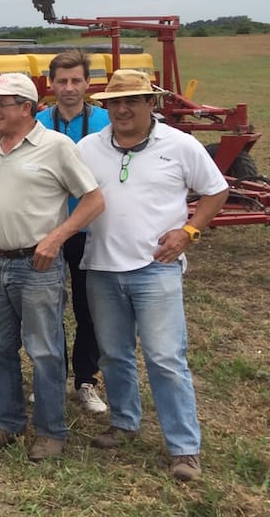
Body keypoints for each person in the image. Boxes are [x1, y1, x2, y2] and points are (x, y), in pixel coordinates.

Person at [78, 70, 228, 482]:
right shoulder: (88, 147)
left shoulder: (180, 145)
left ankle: (184, 448)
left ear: (151, 104)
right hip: (103, 267)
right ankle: (124, 423)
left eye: (132, 101)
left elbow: (216, 191)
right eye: (114, 103)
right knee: (114, 354)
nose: (122, 110)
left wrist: (189, 231)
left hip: (156, 268)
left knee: (165, 358)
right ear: (105, 106)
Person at [0, 73, 104, 461]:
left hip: (36, 264)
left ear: (26, 107)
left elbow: (93, 201)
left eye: (0, 103)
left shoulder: (56, 146)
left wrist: (55, 238)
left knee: (44, 350)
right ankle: (8, 423)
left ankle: (50, 431)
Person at [34, 49, 112, 415]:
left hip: (85, 229)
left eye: (76, 80)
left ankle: (85, 380)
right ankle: (50, 378)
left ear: (88, 83)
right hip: (43, 230)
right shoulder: (34, 121)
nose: (68, 88)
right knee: (46, 309)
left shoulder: (105, 122)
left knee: (87, 307)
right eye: (61, 81)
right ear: (51, 84)